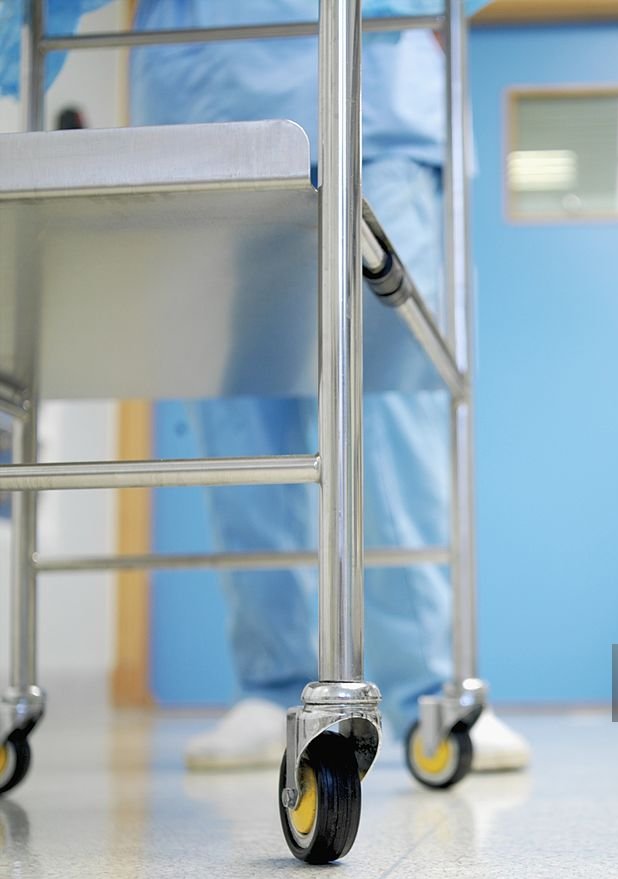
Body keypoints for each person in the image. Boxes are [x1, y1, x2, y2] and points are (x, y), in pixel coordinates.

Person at [1, 0, 529, 772]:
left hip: (371, 96)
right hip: (205, 110)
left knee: (389, 404)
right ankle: (272, 681)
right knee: (235, 407)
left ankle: (430, 692)